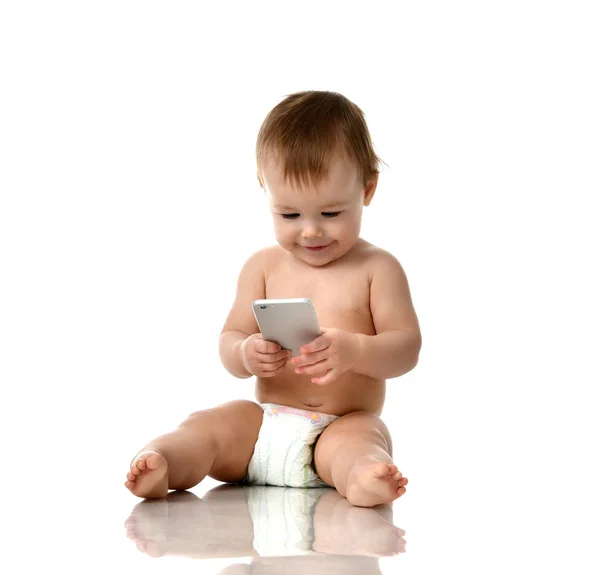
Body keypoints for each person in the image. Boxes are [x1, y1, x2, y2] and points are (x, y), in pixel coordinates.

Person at [125, 90, 421, 507]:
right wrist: (246, 353)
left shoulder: (378, 269)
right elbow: (230, 340)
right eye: (289, 215)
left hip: (340, 427)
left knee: (361, 441)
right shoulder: (262, 267)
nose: (311, 231)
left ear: (368, 189)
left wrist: (355, 349)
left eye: (331, 214)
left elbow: (406, 349)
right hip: (264, 426)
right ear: (266, 192)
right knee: (212, 424)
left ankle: (364, 478)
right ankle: (166, 461)